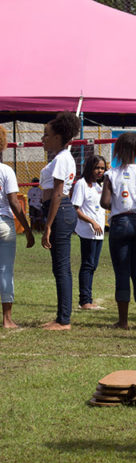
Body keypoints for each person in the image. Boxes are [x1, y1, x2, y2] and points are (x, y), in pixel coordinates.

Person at [101, 132, 136, 330]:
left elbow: (105, 202)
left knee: (122, 272)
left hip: (121, 223)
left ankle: (123, 321)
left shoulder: (111, 174)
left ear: (119, 150)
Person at [39, 111, 80, 330]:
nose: (43, 139)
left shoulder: (63, 159)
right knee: (59, 267)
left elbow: (57, 193)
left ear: (58, 137)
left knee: (62, 267)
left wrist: (47, 226)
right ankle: (60, 316)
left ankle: (64, 319)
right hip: (59, 211)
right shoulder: (60, 158)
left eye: (47, 135)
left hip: (60, 211)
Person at [0, 125, 35, 328]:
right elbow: (14, 202)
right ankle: (7, 319)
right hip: (4, 223)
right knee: (5, 271)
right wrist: (28, 229)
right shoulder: (6, 171)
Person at [71, 154, 107, 311]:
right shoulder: (81, 184)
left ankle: (88, 298)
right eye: (97, 168)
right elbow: (76, 208)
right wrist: (91, 222)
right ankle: (85, 300)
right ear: (90, 168)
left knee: (93, 265)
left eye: (102, 168)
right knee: (87, 264)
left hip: (99, 233)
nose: (100, 171)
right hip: (87, 232)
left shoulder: (99, 187)